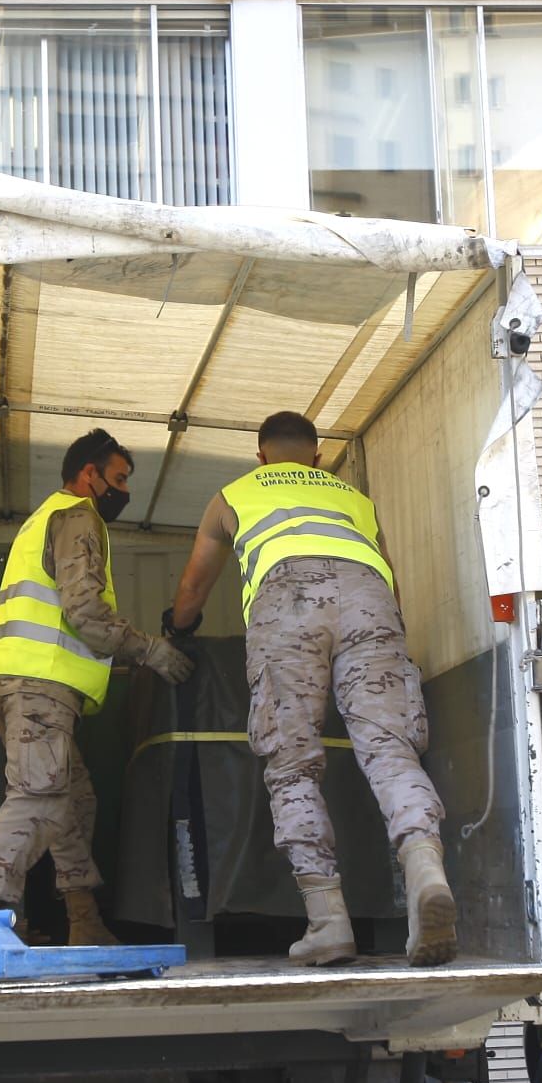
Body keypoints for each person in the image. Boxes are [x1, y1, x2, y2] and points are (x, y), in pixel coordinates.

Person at [166, 411, 455, 966]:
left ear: (260, 454)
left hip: (288, 602)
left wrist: (178, 628)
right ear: (317, 456)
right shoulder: (352, 498)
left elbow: (193, 585)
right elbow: (391, 581)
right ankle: (424, 870)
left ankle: (328, 920)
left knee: (293, 763)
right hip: (370, 601)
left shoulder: (234, 494)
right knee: (390, 750)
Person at [0, 428, 195, 945]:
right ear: (88, 475)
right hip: (38, 681)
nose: (123, 492)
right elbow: (84, 612)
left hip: (19, 680)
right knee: (39, 795)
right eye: (117, 479)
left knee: (73, 800)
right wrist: (150, 650)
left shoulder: (43, 518)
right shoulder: (78, 516)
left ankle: (84, 921)